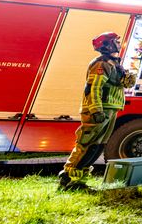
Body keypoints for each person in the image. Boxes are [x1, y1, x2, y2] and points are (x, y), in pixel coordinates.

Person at [58, 32, 136, 190]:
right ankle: (68, 178)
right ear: (108, 45)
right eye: (116, 41)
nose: (119, 44)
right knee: (86, 144)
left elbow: (122, 83)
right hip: (100, 110)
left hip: (110, 109)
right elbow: (94, 88)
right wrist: (96, 110)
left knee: (98, 146)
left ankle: (79, 181)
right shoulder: (101, 64)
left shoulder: (113, 63)